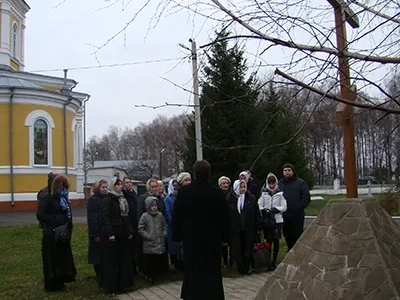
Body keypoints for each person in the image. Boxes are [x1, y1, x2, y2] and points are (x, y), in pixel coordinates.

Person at [172, 160, 230, 300]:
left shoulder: (184, 193)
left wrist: (177, 236)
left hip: (192, 240)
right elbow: (225, 218)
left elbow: (177, 216)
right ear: (209, 174)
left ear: (194, 173)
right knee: (212, 271)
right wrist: (225, 238)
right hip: (212, 240)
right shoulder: (217, 194)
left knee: (193, 271)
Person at [36, 174, 77, 292]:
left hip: (61, 233)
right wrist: (55, 221)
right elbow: (40, 214)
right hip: (51, 233)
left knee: (61, 259)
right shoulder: (47, 197)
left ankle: (61, 282)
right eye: (59, 184)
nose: (61, 186)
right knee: (51, 260)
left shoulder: (62, 197)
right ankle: (51, 284)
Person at [99, 177, 134, 293]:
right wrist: (110, 233)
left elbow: (126, 216)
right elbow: (105, 218)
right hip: (113, 234)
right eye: (118, 185)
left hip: (123, 233)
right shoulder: (107, 200)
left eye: (120, 184)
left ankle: (124, 284)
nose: (120, 186)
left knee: (124, 260)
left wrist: (129, 231)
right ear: (113, 186)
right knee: (112, 261)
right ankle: (112, 285)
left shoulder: (122, 199)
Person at [228, 179, 260, 275]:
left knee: (248, 248)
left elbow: (256, 214)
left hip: (248, 228)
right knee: (238, 248)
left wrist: (258, 227)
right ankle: (239, 267)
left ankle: (247, 267)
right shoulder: (230, 198)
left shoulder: (251, 198)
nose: (243, 189)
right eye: (241, 187)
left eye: (244, 187)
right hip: (236, 229)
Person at [278, 163, 311, 251]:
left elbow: (306, 197)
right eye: (285, 170)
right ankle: (290, 250)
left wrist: (298, 207)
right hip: (284, 215)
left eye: (289, 170)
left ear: (292, 171)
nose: (287, 172)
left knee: (297, 234)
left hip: (297, 215)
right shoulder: (280, 184)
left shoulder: (300, 183)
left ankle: (298, 250)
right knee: (287, 234)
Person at [258, 173, 287, 270]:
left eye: (273, 183)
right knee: (268, 241)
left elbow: (284, 207)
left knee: (276, 241)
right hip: (267, 221)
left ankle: (274, 261)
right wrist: (264, 210)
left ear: (276, 183)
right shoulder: (264, 194)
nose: (271, 185)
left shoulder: (280, 194)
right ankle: (268, 261)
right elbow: (259, 205)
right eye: (269, 183)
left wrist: (275, 209)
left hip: (277, 220)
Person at [138, 196, 168, 285]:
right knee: (150, 261)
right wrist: (147, 236)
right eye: (152, 206)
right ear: (148, 206)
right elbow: (141, 228)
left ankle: (158, 275)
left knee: (158, 260)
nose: (154, 207)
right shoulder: (145, 216)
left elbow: (164, 225)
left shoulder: (160, 215)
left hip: (159, 241)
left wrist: (164, 234)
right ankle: (150, 276)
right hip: (149, 242)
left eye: (156, 205)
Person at [87, 179, 108, 282]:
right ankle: (99, 275)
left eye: (105, 187)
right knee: (97, 255)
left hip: (105, 231)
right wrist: (95, 233)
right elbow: (92, 218)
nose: (104, 189)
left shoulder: (105, 199)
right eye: (102, 187)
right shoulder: (93, 200)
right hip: (97, 231)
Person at [122, 176, 139, 275]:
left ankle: (135, 267)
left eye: (130, 182)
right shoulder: (123, 196)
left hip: (135, 223)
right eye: (127, 182)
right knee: (129, 249)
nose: (129, 184)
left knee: (135, 248)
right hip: (128, 224)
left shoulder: (134, 194)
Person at [218, 176, 232, 268]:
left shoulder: (232, 194)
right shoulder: (218, 195)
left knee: (231, 242)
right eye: (223, 183)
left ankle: (231, 260)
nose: (225, 185)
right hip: (221, 221)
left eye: (227, 183)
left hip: (231, 220)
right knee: (223, 243)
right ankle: (225, 261)